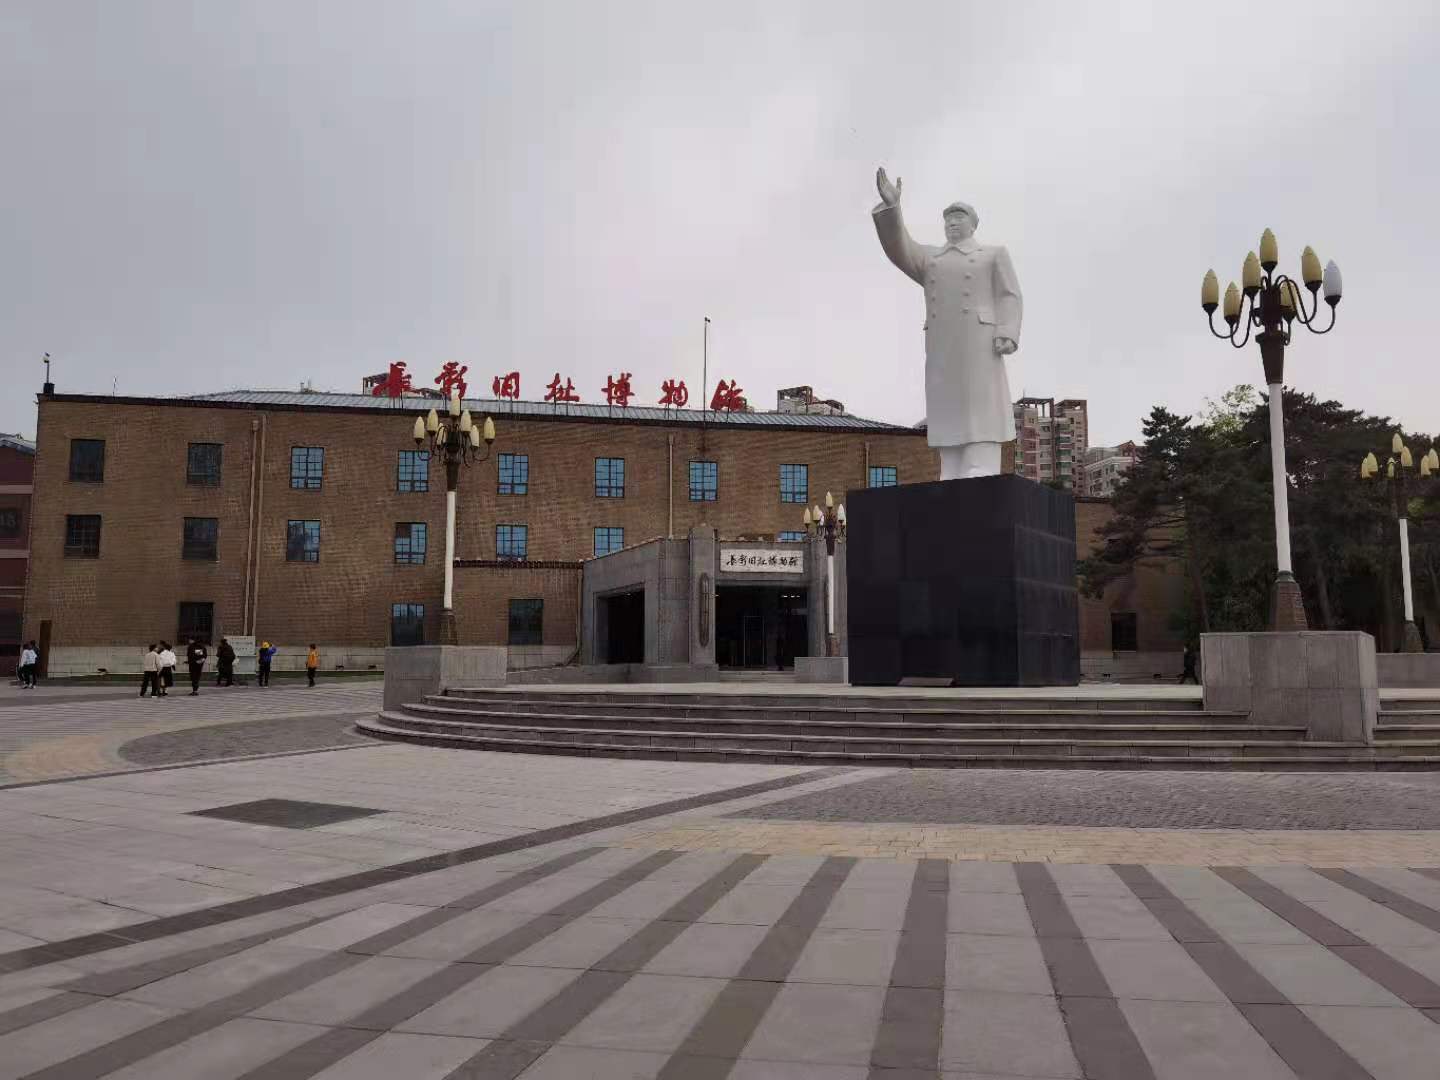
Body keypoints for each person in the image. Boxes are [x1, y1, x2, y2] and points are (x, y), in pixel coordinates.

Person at [871, 167, 1023, 480]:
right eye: (948, 219)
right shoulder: (931, 260)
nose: (952, 223)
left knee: (979, 401)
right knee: (947, 405)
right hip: (942, 344)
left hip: (979, 342)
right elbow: (900, 249)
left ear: (973, 224)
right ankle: (951, 465)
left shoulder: (992, 254)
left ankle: (981, 462)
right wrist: (892, 208)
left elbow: (1009, 294)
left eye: (959, 218)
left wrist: (1007, 331)